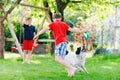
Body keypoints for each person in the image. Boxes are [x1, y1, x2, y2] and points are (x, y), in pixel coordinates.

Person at [34, 13, 87, 77]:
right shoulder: (63, 24)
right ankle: (70, 73)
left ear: (53, 19)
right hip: (64, 42)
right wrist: (82, 31)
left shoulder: (53, 24)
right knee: (62, 59)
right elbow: (72, 30)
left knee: (57, 59)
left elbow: (44, 29)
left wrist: (37, 35)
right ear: (61, 18)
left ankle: (72, 68)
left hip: (60, 42)